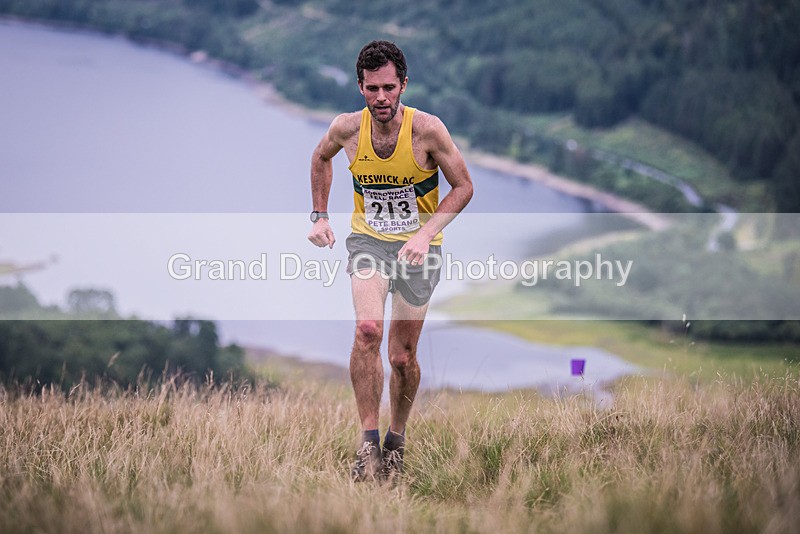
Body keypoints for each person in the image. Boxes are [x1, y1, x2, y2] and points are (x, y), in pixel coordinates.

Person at [308, 40, 473, 482]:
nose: (380, 97)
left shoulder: (428, 131)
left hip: (419, 251)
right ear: (360, 87)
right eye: (371, 88)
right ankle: (368, 447)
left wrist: (425, 234)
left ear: (403, 85)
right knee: (367, 331)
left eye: (388, 87)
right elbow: (320, 157)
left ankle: (395, 442)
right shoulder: (347, 128)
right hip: (369, 243)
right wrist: (319, 215)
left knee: (402, 356)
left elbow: (463, 187)